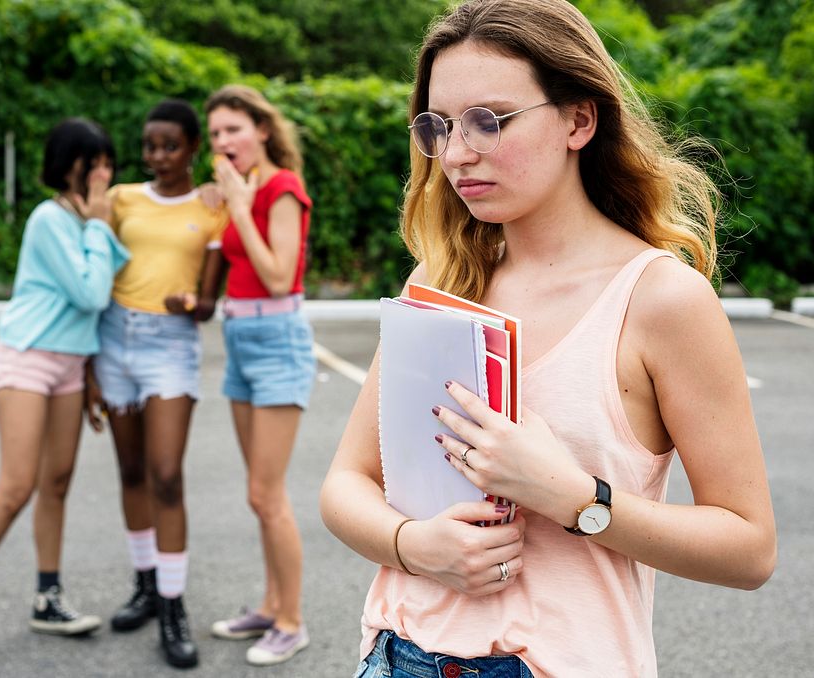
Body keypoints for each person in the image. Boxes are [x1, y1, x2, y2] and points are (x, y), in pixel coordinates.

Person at [319, 1, 777, 677]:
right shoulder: (443, 277)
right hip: (395, 655)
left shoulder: (660, 300)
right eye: (439, 126)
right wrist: (414, 545)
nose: (458, 152)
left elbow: (749, 548)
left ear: (579, 119)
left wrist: (575, 498)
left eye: (489, 120)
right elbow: (345, 484)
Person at [0, 117, 129, 670]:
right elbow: (92, 292)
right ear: (67, 164)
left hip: (70, 365)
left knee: (58, 482)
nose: (103, 173)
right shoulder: (50, 219)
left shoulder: (90, 220)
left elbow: (112, 286)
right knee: (16, 486)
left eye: (108, 163)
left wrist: (90, 372)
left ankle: (47, 597)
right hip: (27, 357)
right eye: (93, 163)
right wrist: (98, 226)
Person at [83, 99, 228, 669]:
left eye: (170, 146)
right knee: (130, 471)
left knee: (166, 475)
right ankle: (145, 584)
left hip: (171, 344)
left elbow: (208, 304)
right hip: (114, 337)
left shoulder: (212, 207)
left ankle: (173, 605)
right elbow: (93, 266)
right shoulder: (121, 199)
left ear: (193, 148)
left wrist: (191, 301)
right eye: (150, 146)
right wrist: (89, 364)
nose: (158, 156)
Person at [204, 84, 317, 667]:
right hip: (239, 340)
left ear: (263, 131)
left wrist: (239, 207)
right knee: (258, 494)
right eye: (216, 134)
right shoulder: (238, 190)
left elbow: (277, 275)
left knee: (266, 495)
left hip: (277, 341)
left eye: (233, 130)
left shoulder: (281, 189)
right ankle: (271, 605)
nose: (224, 143)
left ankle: (292, 621)